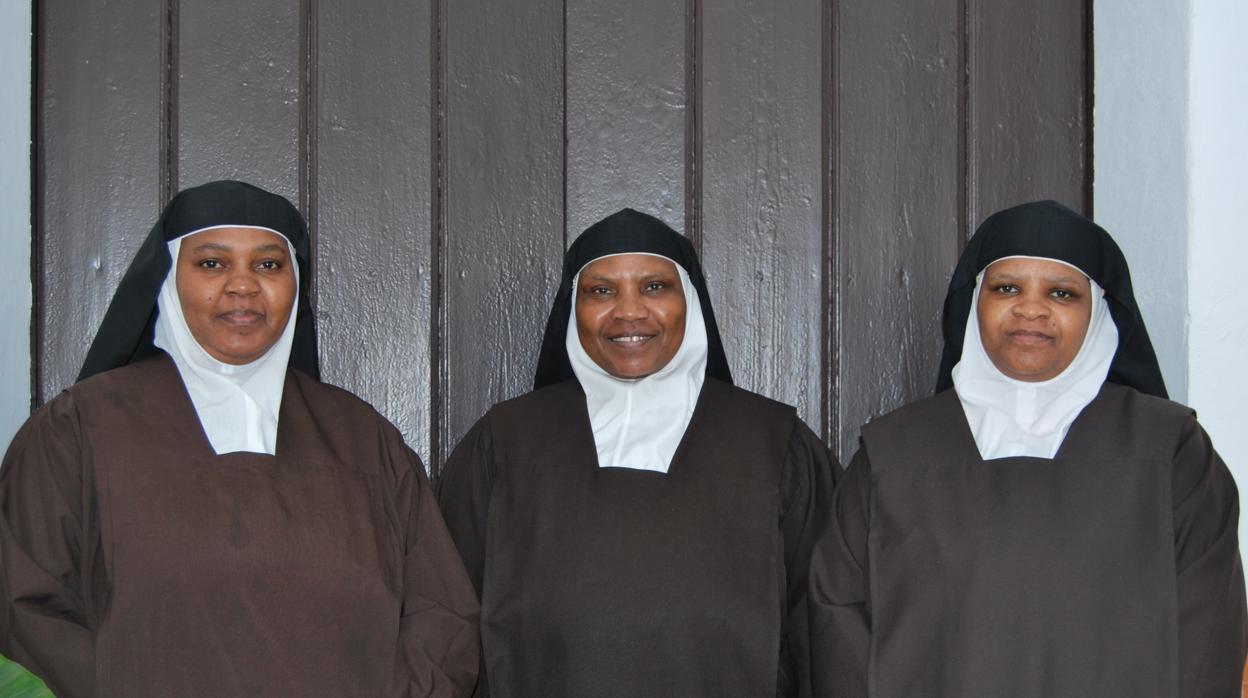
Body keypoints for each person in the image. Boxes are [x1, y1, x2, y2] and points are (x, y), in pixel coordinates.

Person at [0, 180, 480, 697]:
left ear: (294, 283)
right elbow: (25, 612)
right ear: (167, 278)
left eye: (269, 265)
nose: (243, 285)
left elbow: (443, 616)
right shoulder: (76, 429)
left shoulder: (366, 440)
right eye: (212, 264)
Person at [808, 200, 1247, 697]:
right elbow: (839, 629)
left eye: (1062, 292)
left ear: (1099, 311)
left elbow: (1209, 633)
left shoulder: (1171, 451)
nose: (1031, 309)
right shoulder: (892, 454)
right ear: (976, 302)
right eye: (1007, 288)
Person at [437, 208, 837, 697]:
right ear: (573, 306)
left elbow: (824, 638)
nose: (628, 312)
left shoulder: (776, 444)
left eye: (654, 287)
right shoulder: (502, 443)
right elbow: (448, 620)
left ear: (689, 300)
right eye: (601, 290)